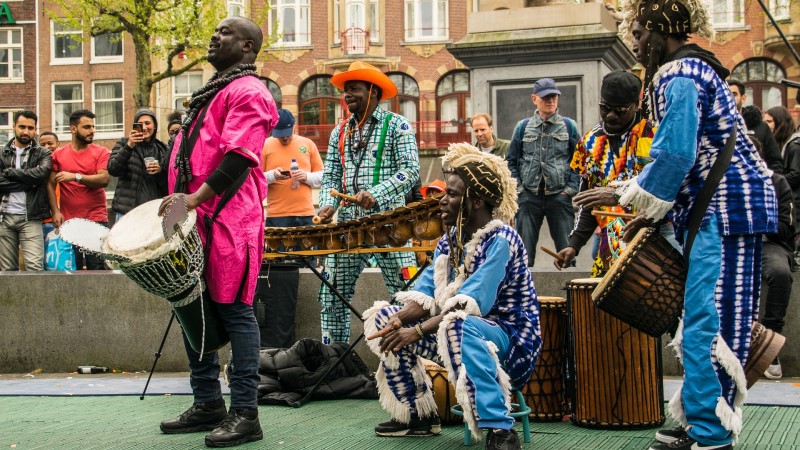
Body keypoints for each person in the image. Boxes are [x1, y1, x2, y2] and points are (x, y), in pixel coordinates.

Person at [618, 0, 778, 448]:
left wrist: (633, 202)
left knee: (710, 320)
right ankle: (699, 422)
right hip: (727, 208)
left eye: (638, 33)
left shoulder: (679, 73)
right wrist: (649, 213)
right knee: (705, 315)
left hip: (722, 211)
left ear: (658, 30)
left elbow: (674, 156)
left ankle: (711, 434)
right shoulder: (696, 68)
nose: (635, 43)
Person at [364, 143, 541, 450]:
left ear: (476, 201)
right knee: (383, 317)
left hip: (511, 343)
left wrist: (416, 331)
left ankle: (500, 429)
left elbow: (468, 306)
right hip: (462, 334)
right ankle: (419, 414)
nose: (442, 201)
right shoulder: (450, 241)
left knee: (457, 324)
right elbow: (426, 294)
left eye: (453, 194)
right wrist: (397, 319)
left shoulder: (502, 239)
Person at [157, 16, 277, 448]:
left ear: (247, 47)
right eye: (215, 31)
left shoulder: (249, 91)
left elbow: (240, 157)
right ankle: (208, 402)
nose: (214, 36)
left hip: (228, 219)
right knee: (193, 306)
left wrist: (192, 199)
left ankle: (246, 412)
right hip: (195, 220)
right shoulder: (214, 91)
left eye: (225, 32)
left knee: (235, 311)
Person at [315, 61, 420, 344]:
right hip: (349, 227)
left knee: (409, 293)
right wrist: (328, 203)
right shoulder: (340, 132)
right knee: (331, 294)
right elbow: (332, 176)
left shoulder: (398, 125)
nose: (347, 94)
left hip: (392, 226)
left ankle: (415, 360)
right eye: (346, 90)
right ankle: (333, 357)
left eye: (355, 89)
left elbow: (411, 170)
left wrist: (378, 192)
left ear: (373, 91)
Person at [554, 71, 678, 275]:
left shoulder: (654, 136)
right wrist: (574, 244)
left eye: (620, 110)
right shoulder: (589, 143)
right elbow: (590, 203)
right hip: (610, 245)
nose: (610, 116)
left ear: (636, 106)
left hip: (656, 239)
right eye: (605, 108)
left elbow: (670, 190)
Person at [506, 77, 581, 267]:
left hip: (559, 196)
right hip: (529, 197)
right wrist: (520, 190)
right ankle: (523, 293)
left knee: (567, 253)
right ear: (534, 99)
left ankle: (571, 293)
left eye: (554, 96)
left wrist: (570, 190)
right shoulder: (522, 127)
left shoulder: (569, 126)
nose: (550, 101)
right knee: (522, 256)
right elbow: (511, 161)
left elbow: (581, 161)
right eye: (545, 97)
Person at [748, 134, 794, 380]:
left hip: (769, 242)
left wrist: (758, 219)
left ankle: (770, 343)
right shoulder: (726, 182)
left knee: (779, 273)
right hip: (735, 242)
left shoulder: (777, 182)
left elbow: (787, 229)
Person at [48, 109, 110, 270]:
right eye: (87, 127)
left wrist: (75, 176)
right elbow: (50, 184)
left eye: (93, 127)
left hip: (95, 220)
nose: (92, 131)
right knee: (70, 269)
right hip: (69, 223)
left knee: (96, 269)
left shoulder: (101, 152)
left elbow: (104, 179)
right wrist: (55, 210)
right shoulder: (58, 155)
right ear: (73, 129)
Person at [0, 110, 52, 271]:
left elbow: (41, 174)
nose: (26, 131)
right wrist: (29, 183)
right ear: (14, 126)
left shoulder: (43, 153)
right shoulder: (1, 153)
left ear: (35, 129)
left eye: (30, 128)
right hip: (4, 217)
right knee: (7, 270)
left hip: (31, 217)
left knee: (35, 268)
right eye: (22, 127)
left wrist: (11, 173)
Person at [261, 108, 323, 227]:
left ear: (294, 126)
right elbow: (255, 179)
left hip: (306, 214)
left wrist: (306, 176)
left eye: (287, 134)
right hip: (277, 215)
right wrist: (272, 175)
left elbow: (323, 177)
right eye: (280, 135)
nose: (284, 138)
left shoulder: (308, 144)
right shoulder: (265, 145)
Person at [107, 109, 169, 223]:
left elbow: (169, 184)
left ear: (155, 126)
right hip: (127, 212)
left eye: (148, 123)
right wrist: (129, 146)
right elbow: (113, 169)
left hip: (153, 213)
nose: (144, 127)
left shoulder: (162, 149)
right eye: (140, 124)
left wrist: (160, 171)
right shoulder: (123, 143)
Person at [727, 79, 783, 173]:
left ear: (743, 98)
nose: (730, 97)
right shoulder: (715, 126)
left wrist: (769, 182)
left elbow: (775, 161)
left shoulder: (761, 127)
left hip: (758, 183)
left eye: (734, 94)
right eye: (726, 94)